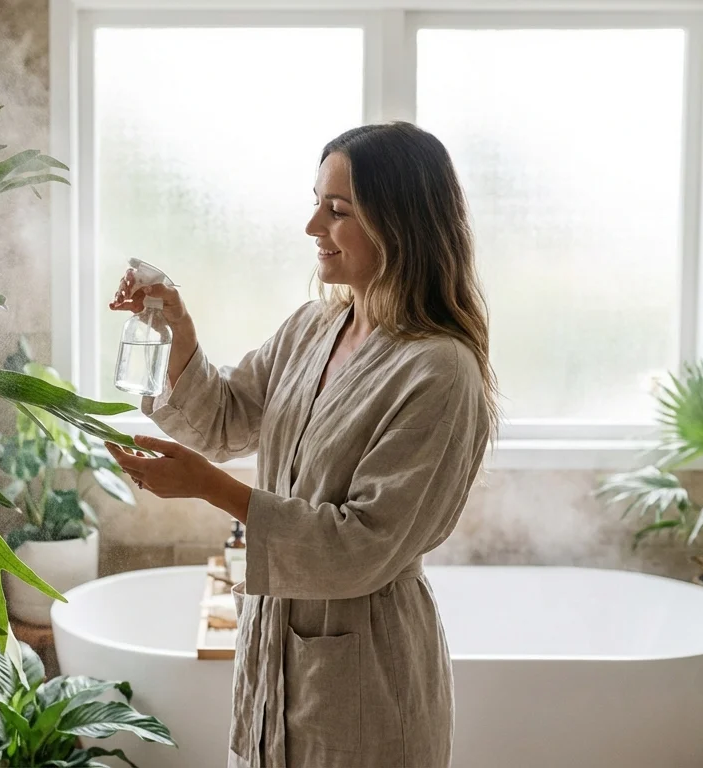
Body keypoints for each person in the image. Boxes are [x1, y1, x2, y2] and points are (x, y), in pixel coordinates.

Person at [105, 121, 498, 768]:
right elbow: (226, 419)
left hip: (365, 691)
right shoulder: (316, 326)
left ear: (400, 224)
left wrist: (208, 486)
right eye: (315, 201)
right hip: (270, 677)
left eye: (337, 210)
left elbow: (360, 545)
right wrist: (175, 328)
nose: (313, 226)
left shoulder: (439, 372)